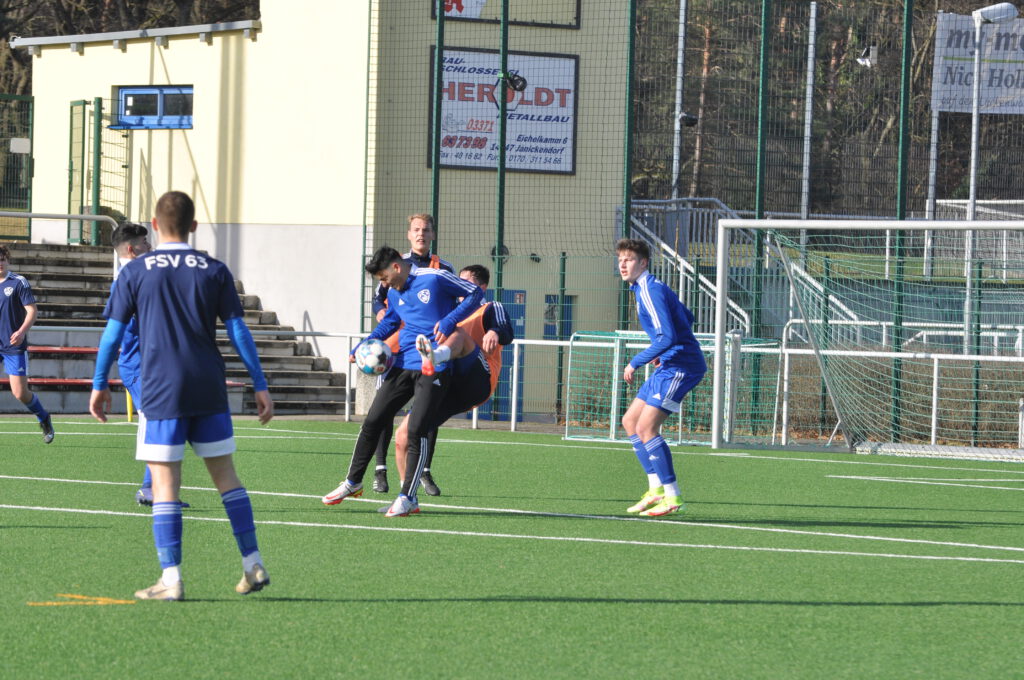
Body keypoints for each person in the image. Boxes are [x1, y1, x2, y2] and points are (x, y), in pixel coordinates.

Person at [90, 191, 274, 601]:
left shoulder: (135, 272)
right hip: (208, 385)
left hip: (161, 389)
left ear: (155, 226)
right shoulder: (214, 269)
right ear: (193, 226)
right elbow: (238, 330)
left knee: (164, 484)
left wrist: (99, 383)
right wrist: (259, 382)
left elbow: (112, 336)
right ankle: (252, 561)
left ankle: (171, 578)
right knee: (226, 477)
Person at [322, 246, 482, 517]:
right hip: (403, 364)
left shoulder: (434, 278)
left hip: (434, 365)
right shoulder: (394, 293)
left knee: (417, 429)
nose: (384, 284)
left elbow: (475, 293)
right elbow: (390, 323)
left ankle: (408, 498)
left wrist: (449, 320)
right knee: (373, 420)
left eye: (384, 278)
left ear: (396, 267)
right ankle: (353, 482)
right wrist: (364, 344)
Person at [389, 264, 514, 494]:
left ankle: (436, 357)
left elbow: (507, 331)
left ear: (481, 287)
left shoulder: (488, 308)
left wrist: (495, 331)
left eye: (467, 282)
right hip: (452, 386)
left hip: (480, 377)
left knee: (460, 335)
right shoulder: (450, 310)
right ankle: (405, 496)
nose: (461, 286)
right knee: (404, 434)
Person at [616, 238, 706, 517]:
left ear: (643, 263)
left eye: (629, 259)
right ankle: (655, 490)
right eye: (620, 260)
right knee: (630, 421)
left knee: (647, 428)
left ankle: (673, 496)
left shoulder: (650, 289)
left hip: (682, 366)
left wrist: (635, 362)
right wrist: (663, 351)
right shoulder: (645, 289)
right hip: (669, 362)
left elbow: (667, 336)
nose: (623, 264)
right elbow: (687, 317)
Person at [369, 213, 453, 495]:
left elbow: (455, 303)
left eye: (426, 230)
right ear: (409, 234)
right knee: (384, 409)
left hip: (429, 350)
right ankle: (380, 470)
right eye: (416, 229)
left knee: (427, 412)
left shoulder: (443, 268)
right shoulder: (396, 265)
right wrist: (382, 313)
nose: (421, 234)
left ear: (432, 234)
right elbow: (378, 299)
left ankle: (424, 471)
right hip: (398, 349)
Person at [108, 224, 190, 508]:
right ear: (132, 249)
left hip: (155, 365)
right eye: (145, 242)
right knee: (158, 420)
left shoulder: (143, 277)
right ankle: (149, 488)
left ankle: (153, 488)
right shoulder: (127, 282)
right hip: (139, 366)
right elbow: (120, 332)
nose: (150, 246)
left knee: (166, 421)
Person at [0, 244, 54, 443]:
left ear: (8, 260)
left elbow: (32, 311)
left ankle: (43, 417)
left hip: (13, 345)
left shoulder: (18, 282)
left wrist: (21, 331)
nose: (0, 263)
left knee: (20, 393)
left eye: (2, 259)